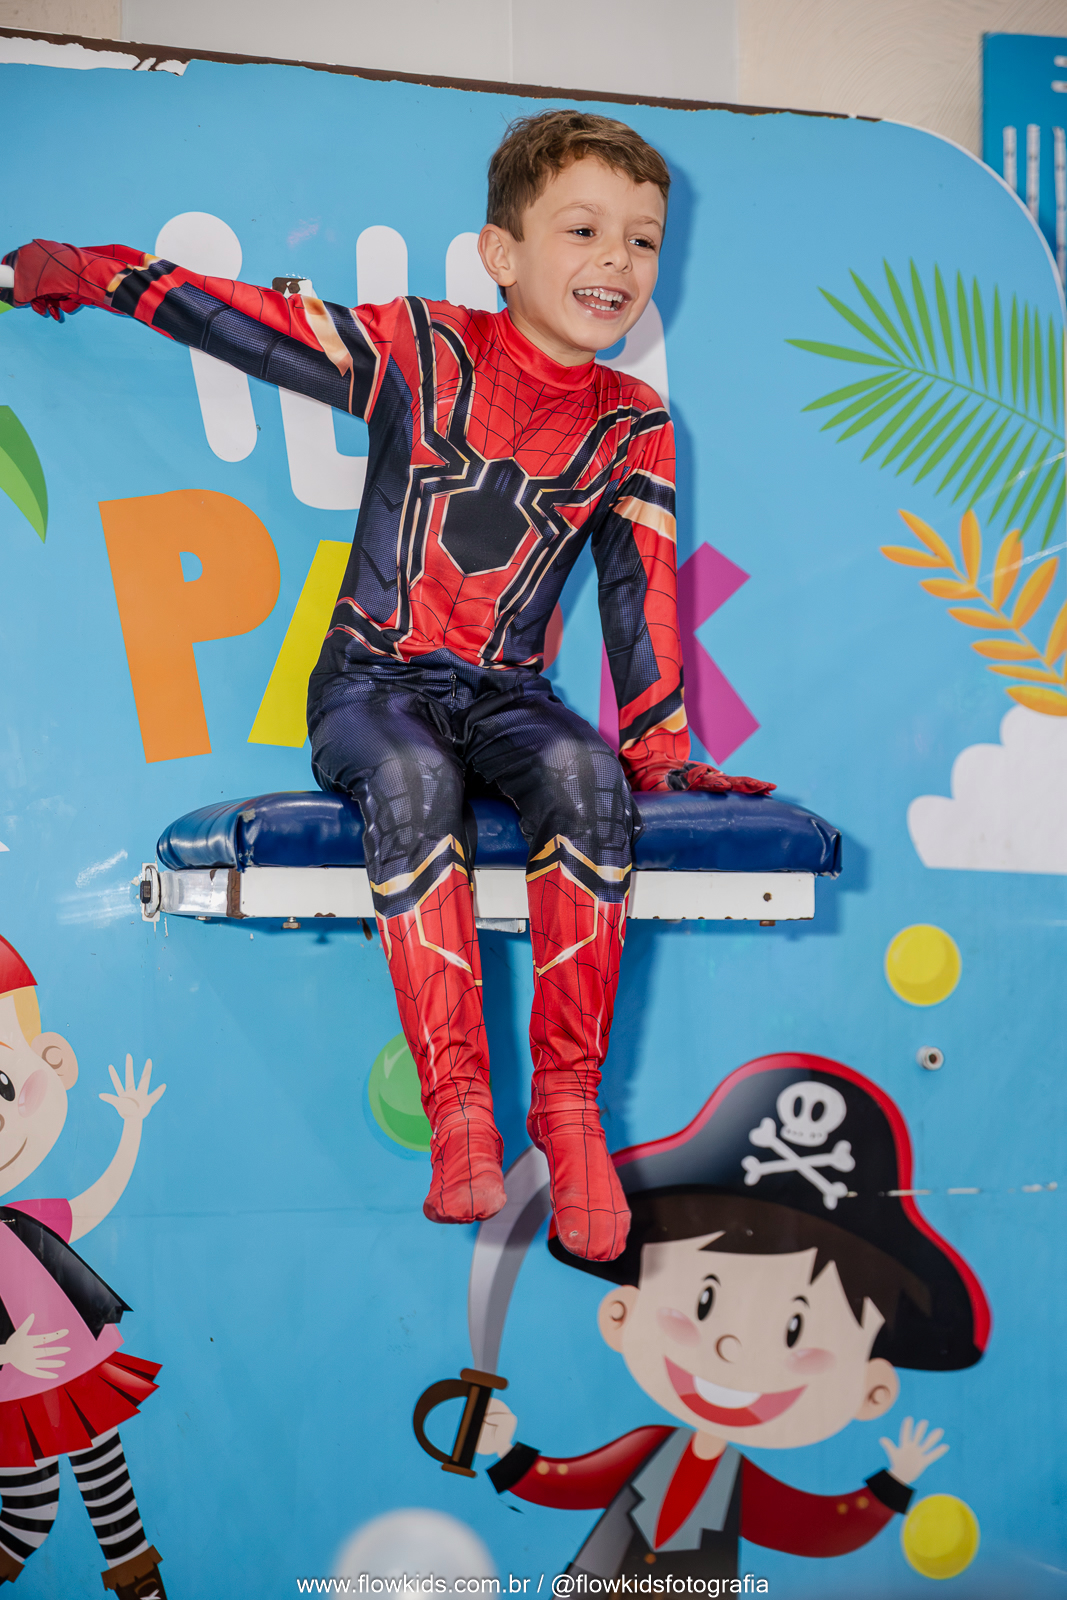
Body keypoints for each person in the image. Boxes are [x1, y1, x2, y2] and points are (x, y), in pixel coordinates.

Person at [0, 111, 772, 1265]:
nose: (616, 258)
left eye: (642, 239)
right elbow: (244, 322)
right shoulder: (424, 346)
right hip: (374, 683)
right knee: (410, 777)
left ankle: (568, 1111)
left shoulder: (635, 425)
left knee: (586, 770)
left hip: (506, 693)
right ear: (500, 252)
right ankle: (458, 1110)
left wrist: (658, 748)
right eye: (582, 229)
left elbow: (638, 600)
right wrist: (99, 274)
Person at [477, 1054, 990, 1580]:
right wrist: (505, 1451)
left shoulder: (738, 1484)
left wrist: (894, 1483)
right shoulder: (648, 1450)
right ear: (620, 1314)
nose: (732, 1347)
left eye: (794, 1329)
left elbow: (809, 1525)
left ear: (871, 1389)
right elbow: (576, 1481)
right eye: (704, 1301)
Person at [0, 934, 167, 1598]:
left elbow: (93, 1203)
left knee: (110, 1496)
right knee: (29, 1513)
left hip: (74, 1372)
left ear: (52, 1062)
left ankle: (143, 1589)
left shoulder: (31, 1217)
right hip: (17, 1387)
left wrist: (131, 1127)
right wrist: (6, 1352)